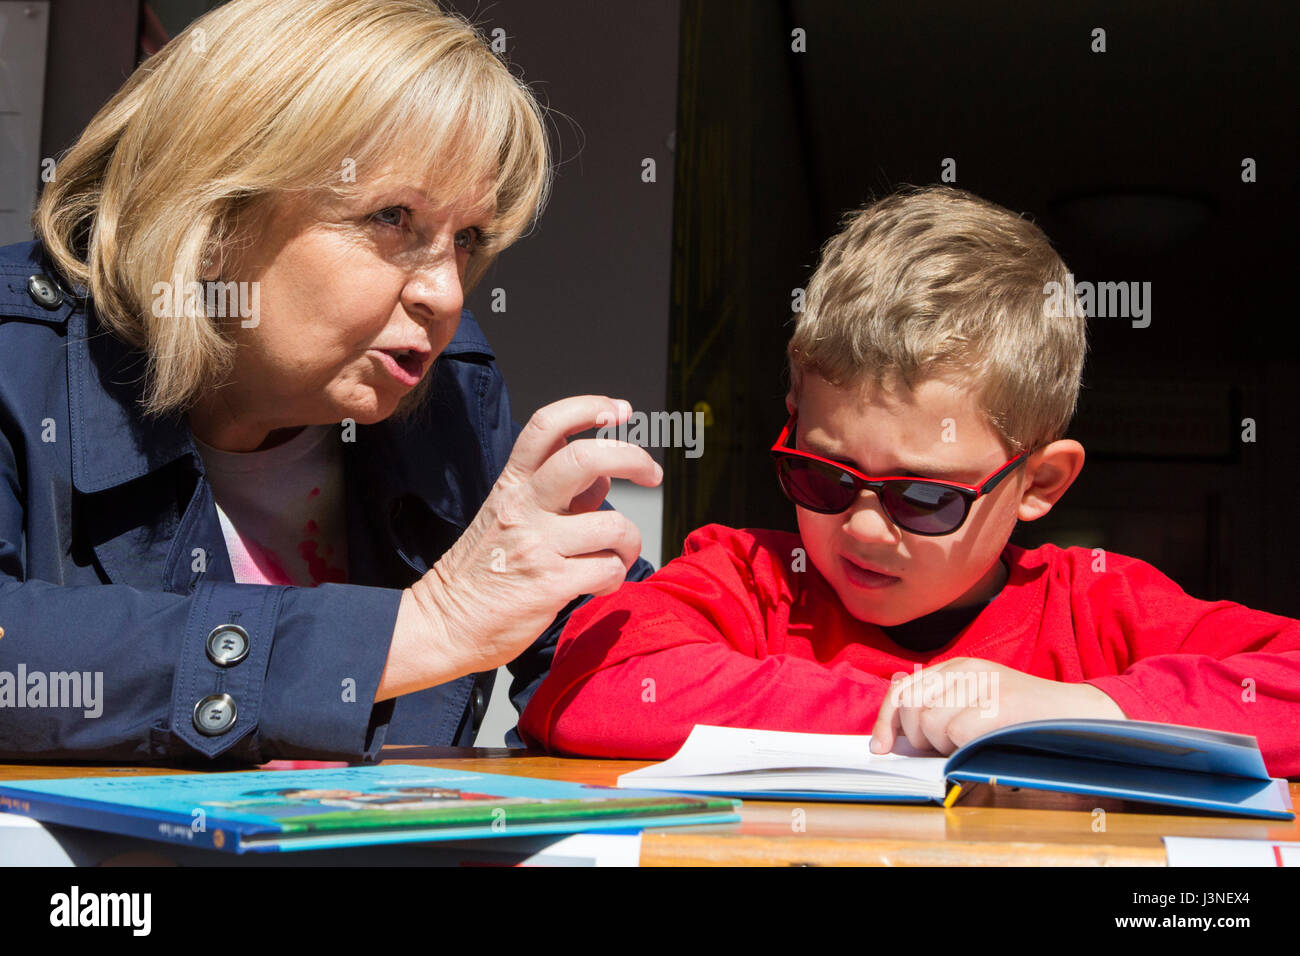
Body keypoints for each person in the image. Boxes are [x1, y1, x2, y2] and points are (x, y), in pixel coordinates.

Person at [0, 0, 660, 762]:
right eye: (391, 218)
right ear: (212, 219)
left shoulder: (445, 393)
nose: (446, 293)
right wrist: (423, 629)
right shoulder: (22, 357)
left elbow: (627, 660)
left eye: (468, 238)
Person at [518, 186, 1300, 776]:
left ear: (1039, 483)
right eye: (821, 475)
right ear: (792, 418)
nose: (860, 528)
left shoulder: (1097, 608)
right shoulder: (749, 579)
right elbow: (589, 685)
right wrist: (920, 718)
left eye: (924, 497)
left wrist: (1076, 713)